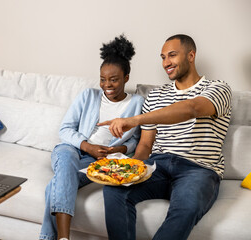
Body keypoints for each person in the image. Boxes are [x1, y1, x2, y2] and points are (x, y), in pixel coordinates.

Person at [99, 34, 232, 240]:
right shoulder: (156, 95)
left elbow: (191, 108)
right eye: (162, 57)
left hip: (198, 169)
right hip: (158, 165)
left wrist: (133, 120)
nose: (166, 63)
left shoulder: (218, 88)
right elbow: (145, 144)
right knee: (115, 189)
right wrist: (131, 170)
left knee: (186, 208)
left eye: (172, 55)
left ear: (191, 55)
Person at [39, 35, 145, 240]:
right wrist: (88, 146)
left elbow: (137, 139)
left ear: (126, 77)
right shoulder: (88, 95)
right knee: (67, 159)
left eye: (114, 79)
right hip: (72, 148)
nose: (107, 85)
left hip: (101, 159)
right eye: (103, 79)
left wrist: (118, 150)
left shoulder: (137, 103)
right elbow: (66, 129)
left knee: (54, 186)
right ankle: (63, 237)